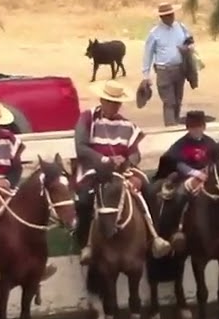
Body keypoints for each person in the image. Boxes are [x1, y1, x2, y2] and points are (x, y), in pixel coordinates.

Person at [72, 80, 171, 263]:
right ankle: (85, 245)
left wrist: (126, 161)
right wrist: (105, 160)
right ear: (102, 100)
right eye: (110, 102)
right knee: (85, 199)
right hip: (94, 171)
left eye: (117, 103)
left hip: (122, 171)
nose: (114, 106)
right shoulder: (88, 118)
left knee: (149, 191)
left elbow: (135, 154)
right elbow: (81, 148)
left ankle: (154, 238)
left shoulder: (127, 125)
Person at [156, 110, 219, 253]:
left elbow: (218, 161)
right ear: (187, 128)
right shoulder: (181, 144)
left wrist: (207, 171)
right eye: (192, 127)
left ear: (204, 127)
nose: (196, 129)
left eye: (198, 126)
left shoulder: (211, 143)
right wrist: (195, 173)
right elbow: (176, 162)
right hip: (186, 177)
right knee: (179, 196)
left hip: (208, 177)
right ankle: (174, 231)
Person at [0, 100, 32, 286]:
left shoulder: (9, 138)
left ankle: (32, 260)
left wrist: (8, 183)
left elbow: (16, 169)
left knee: (28, 209)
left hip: (6, 187)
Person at [141, 2, 195, 127]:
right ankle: (170, 127)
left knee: (177, 101)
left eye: (171, 14)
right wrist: (146, 75)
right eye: (167, 15)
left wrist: (188, 47)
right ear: (162, 17)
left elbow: (189, 41)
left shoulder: (181, 27)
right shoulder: (155, 33)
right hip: (163, 71)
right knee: (169, 102)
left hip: (180, 69)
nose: (171, 17)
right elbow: (147, 54)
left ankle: (175, 124)